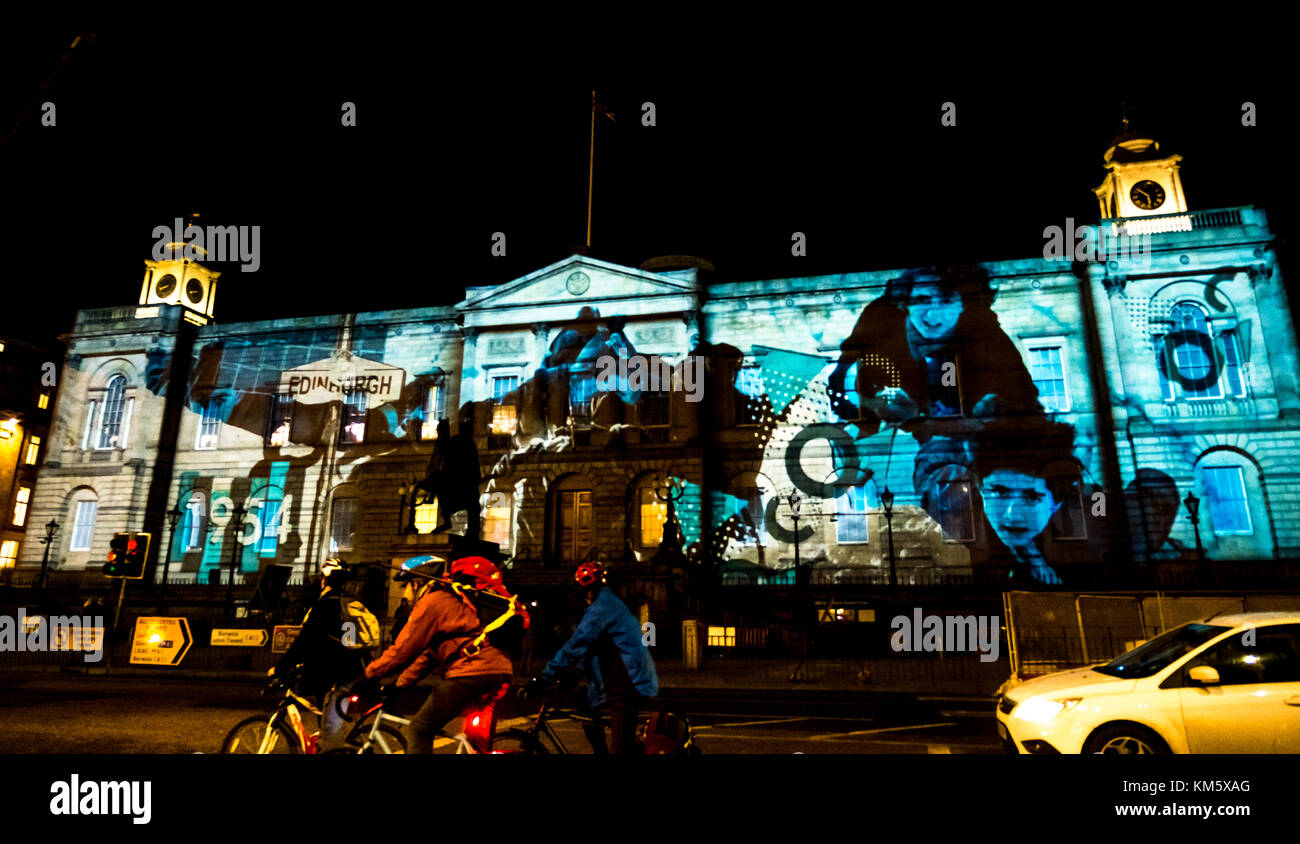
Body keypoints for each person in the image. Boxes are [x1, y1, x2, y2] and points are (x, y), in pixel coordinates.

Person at [362, 557, 514, 754]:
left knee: (420, 729)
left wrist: (368, 675)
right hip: (498, 670)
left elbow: (403, 650)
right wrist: (400, 687)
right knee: (473, 741)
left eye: (406, 586)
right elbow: (429, 655)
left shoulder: (433, 602)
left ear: (417, 583)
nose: (406, 593)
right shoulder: (454, 602)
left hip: (471, 673)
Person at [536, 561, 658, 754]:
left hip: (625, 684)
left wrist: (546, 676)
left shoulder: (601, 608)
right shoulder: (607, 603)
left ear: (587, 592)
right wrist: (574, 675)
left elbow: (577, 644)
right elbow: (592, 649)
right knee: (584, 702)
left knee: (620, 749)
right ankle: (601, 751)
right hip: (618, 680)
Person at [267, 558, 366, 751]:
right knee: (324, 713)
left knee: (329, 729)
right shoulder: (350, 603)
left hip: (337, 675)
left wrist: (280, 668)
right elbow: (343, 642)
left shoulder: (325, 605)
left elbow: (304, 641)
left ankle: (332, 748)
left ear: (324, 580)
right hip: (350, 670)